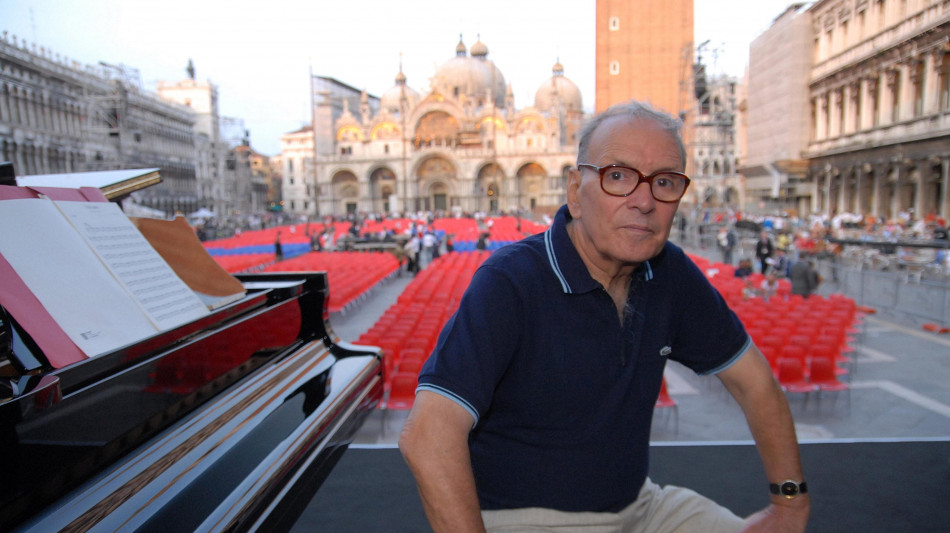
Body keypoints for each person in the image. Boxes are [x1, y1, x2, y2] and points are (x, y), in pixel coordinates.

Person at [400, 101, 809, 533]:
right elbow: (427, 437)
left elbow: (756, 383)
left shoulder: (670, 272)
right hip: (528, 517)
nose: (645, 201)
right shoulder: (511, 281)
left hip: (642, 505)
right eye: (618, 176)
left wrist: (790, 502)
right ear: (575, 191)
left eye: (665, 182)